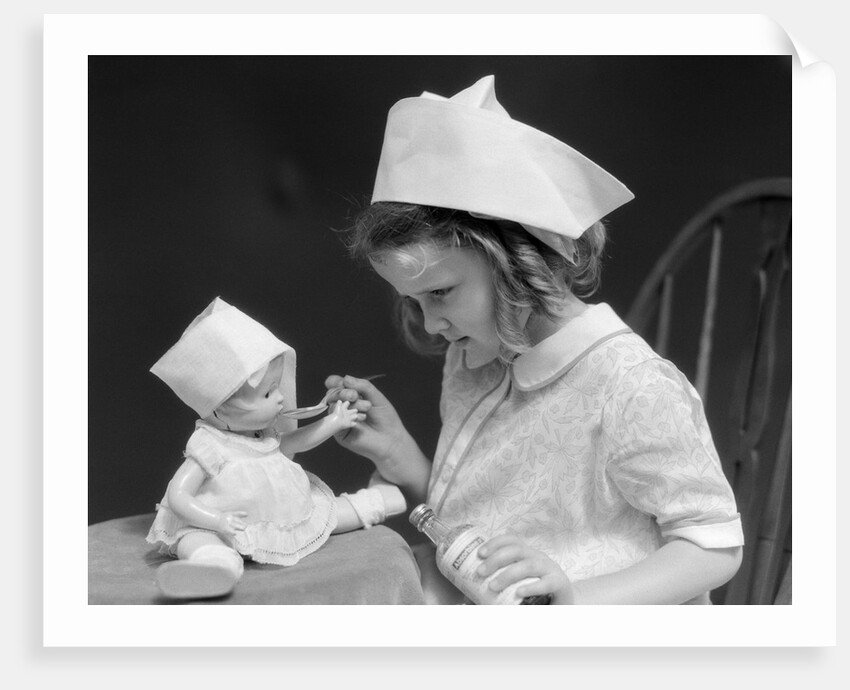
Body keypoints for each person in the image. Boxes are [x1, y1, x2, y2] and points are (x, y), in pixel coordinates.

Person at [325, 75, 744, 605]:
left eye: (440, 292)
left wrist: (574, 600)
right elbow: (477, 520)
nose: (430, 324)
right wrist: (399, 455)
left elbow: (713, 548)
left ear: (514, 262)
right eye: (413, 301)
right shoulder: (472, 359)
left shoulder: (628, 383)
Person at [146, 296, 406, 599]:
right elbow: (179, 495)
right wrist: (216, 520)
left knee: (323, 514)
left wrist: (333, 421)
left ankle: (375, 502)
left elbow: (294, 442)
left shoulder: (264, 435)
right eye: (269, 393)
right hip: (221, 523)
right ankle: (216, 566)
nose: (281, 398)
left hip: (280, 512)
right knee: (193, 539)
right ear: (222, 408)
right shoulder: (211, 446)